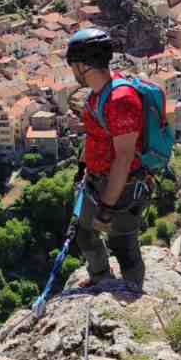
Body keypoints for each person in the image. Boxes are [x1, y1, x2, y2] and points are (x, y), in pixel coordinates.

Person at [65, 27, 151, 288]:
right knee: (84, 231)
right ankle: (100, 277)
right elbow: (98, 135)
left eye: (72, 66)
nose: (72, 72)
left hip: (122, 188)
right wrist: (84, 169)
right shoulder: (98, 95)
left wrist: (107, 208)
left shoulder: (119, 99)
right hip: (97, 179)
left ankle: (133, 291)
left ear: (81, 65)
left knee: (123, 243)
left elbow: (124, 158)